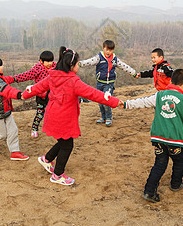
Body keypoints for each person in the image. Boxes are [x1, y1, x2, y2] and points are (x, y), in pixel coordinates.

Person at [121, 69, 183, 203]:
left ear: (171, 81)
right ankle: (176, 184)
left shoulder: (159, 95)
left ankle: (149, 191)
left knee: (159, 164)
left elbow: (143, 101)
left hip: (158, 137)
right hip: (175, 140)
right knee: (179, 160)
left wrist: (126, 104)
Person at [23, 46, 120, 186]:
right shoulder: (73, 81)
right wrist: (115, 102)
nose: (78, 66)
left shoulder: (52, 75)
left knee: (63, 141)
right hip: (63, 118)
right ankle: (57, 175)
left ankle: (46, 159)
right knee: (67, 145)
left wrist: (23, 95)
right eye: (77, 63)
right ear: (71, 65)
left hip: (52, 116)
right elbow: (94, 94)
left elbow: (37, 87)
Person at [79, 39, 136, 126]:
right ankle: (103, 117)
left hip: (109, 83)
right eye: (107, 49)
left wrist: (134, 73)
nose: (108, 51)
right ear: (103, 48)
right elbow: (89, 62)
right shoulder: (99, 57)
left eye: (110, 50)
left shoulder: (115, 60)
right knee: (100, 101)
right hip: (100, 83)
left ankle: (109, 118)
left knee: (106, 100)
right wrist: (79, 64)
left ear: (113, 50)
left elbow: (124, 66)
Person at [0, 56, 29, 161]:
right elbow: (7, 90)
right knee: (2, 134)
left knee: (13, 130)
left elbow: (8, 80)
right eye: (0, 65)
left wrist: (18, 78)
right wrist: (20, 95)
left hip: (5, 110)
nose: (2, 66)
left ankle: (15, 152)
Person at [14, 50, 56, 138]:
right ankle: (34, 128)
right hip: (40, 95)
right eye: (47, 61)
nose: (49, 63)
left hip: (52, 95)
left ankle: (53, 128)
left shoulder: (55, 67)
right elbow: (27, 75)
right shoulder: (38, 69)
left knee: (53, 112)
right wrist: (14, 79)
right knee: (40, 113)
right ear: (41, 61)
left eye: (51, 61)